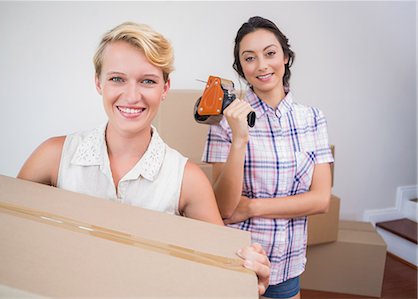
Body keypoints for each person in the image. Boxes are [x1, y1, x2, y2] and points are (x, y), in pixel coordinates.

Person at [17, 21, 270, 295]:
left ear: (164, 89)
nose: (132, 95)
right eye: (117, 79)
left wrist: (248, 270)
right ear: (98, 83)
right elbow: (7, 233)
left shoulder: (186, 179)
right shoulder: (52, 156)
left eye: (147, 81)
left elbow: (223, 266)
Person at [202, 16, 334, 299]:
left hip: (288, 266)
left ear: (285, 57)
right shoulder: (224, 121)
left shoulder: (312, 118)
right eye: (250, 58)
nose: (262, 65)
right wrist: (239, 138)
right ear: (241, 68)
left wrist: (251, 207)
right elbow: (225, 208)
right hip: (239, 260)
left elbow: (321, 200)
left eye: (270, 53)